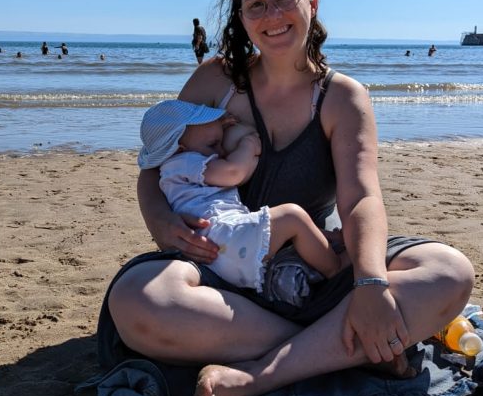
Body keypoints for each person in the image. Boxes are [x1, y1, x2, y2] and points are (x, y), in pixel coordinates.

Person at [104, 0, 474, 396]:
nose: (271, 16)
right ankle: (354, 345)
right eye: (255, 4)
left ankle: (260, 374)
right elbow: (155, 161)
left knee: (450, 272)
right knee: (137, 301)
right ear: (241, 16)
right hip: (222, 271)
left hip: (312, 270)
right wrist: (158, 219)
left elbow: (361, 198)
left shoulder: (342, 97)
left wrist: (367, 285)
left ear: (312, 3)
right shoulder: (215, 82)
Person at [138, 98, 346, 296]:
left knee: (288, 229)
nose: (220, 151)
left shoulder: (180, 162)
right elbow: (234, 173)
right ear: (179, 148)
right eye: (213, 144)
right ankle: (335, 270)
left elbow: (199, 137)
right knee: (292, 217)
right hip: (222, 240)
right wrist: (248, 146)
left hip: (220, 247)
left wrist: (215, 125)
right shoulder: (182, 162)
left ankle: (328, 240)